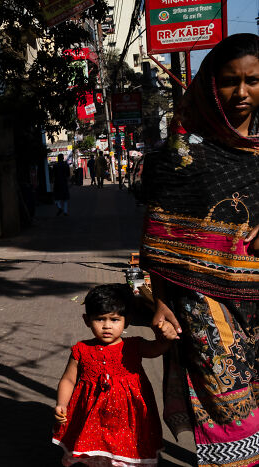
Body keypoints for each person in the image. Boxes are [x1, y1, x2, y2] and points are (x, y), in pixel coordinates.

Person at [140, 34, 259, 467]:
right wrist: (158, 301)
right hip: (202, 299)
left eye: (253, 81)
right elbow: (159, 231)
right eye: (230, 81)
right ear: (212, 84)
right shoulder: (184, 151)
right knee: (230, 407)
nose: (241, 92)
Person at [52, 284, 176, 466]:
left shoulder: (134, 346)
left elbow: (157, 348)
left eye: (115, 319)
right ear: (87, 320)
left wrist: (165, 337)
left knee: (126, 453)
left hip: (129, 418)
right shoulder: (81, 350)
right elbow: (69, 379)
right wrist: (62, 403)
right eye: (100, 319)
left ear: (127, 320)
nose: (107, 326)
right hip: (92, 417)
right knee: (96, 452)